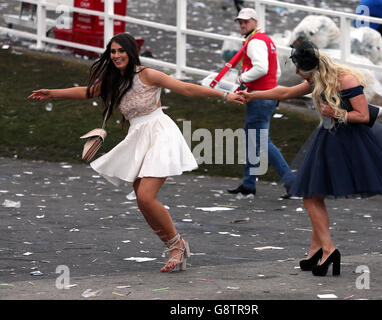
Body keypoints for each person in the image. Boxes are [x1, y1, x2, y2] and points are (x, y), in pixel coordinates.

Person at [28, 33, 245, 273]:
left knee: (145, 197)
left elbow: (186, 88)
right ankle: (175, 245)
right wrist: (53, 93)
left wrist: (225, 94)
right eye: (112, 52)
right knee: (143, 202)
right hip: (138, 137)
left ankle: (177, 246)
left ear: (131, 52)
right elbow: (87, 91)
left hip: (160, 134)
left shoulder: (146, 74)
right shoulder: (113, 80)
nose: (116, 55)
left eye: (121, 51)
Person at [240, 40, 382, 276]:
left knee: (311, 197)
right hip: (328, 136)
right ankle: (317, 250)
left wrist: (336, 112)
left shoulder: (346, 80)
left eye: (304, 75)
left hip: (347, 141)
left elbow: (363, 115)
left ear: (312, 69)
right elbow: (285, 91)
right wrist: (254, 95)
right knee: (314, 194)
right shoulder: (317, 79)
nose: (305, 80)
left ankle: (329, 250)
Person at [227, 8, 296, 199]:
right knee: (253, 138)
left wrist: (241, 78)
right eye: (240, 22)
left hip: (260, 96)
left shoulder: (254, 42)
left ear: (255, 22)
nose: (242, 25)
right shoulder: (266, 40)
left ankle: (292, 183)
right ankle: (249, 184)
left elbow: (261, 68)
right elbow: (276, 73)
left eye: (246, 22)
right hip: (267, 95)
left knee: (261, 141)